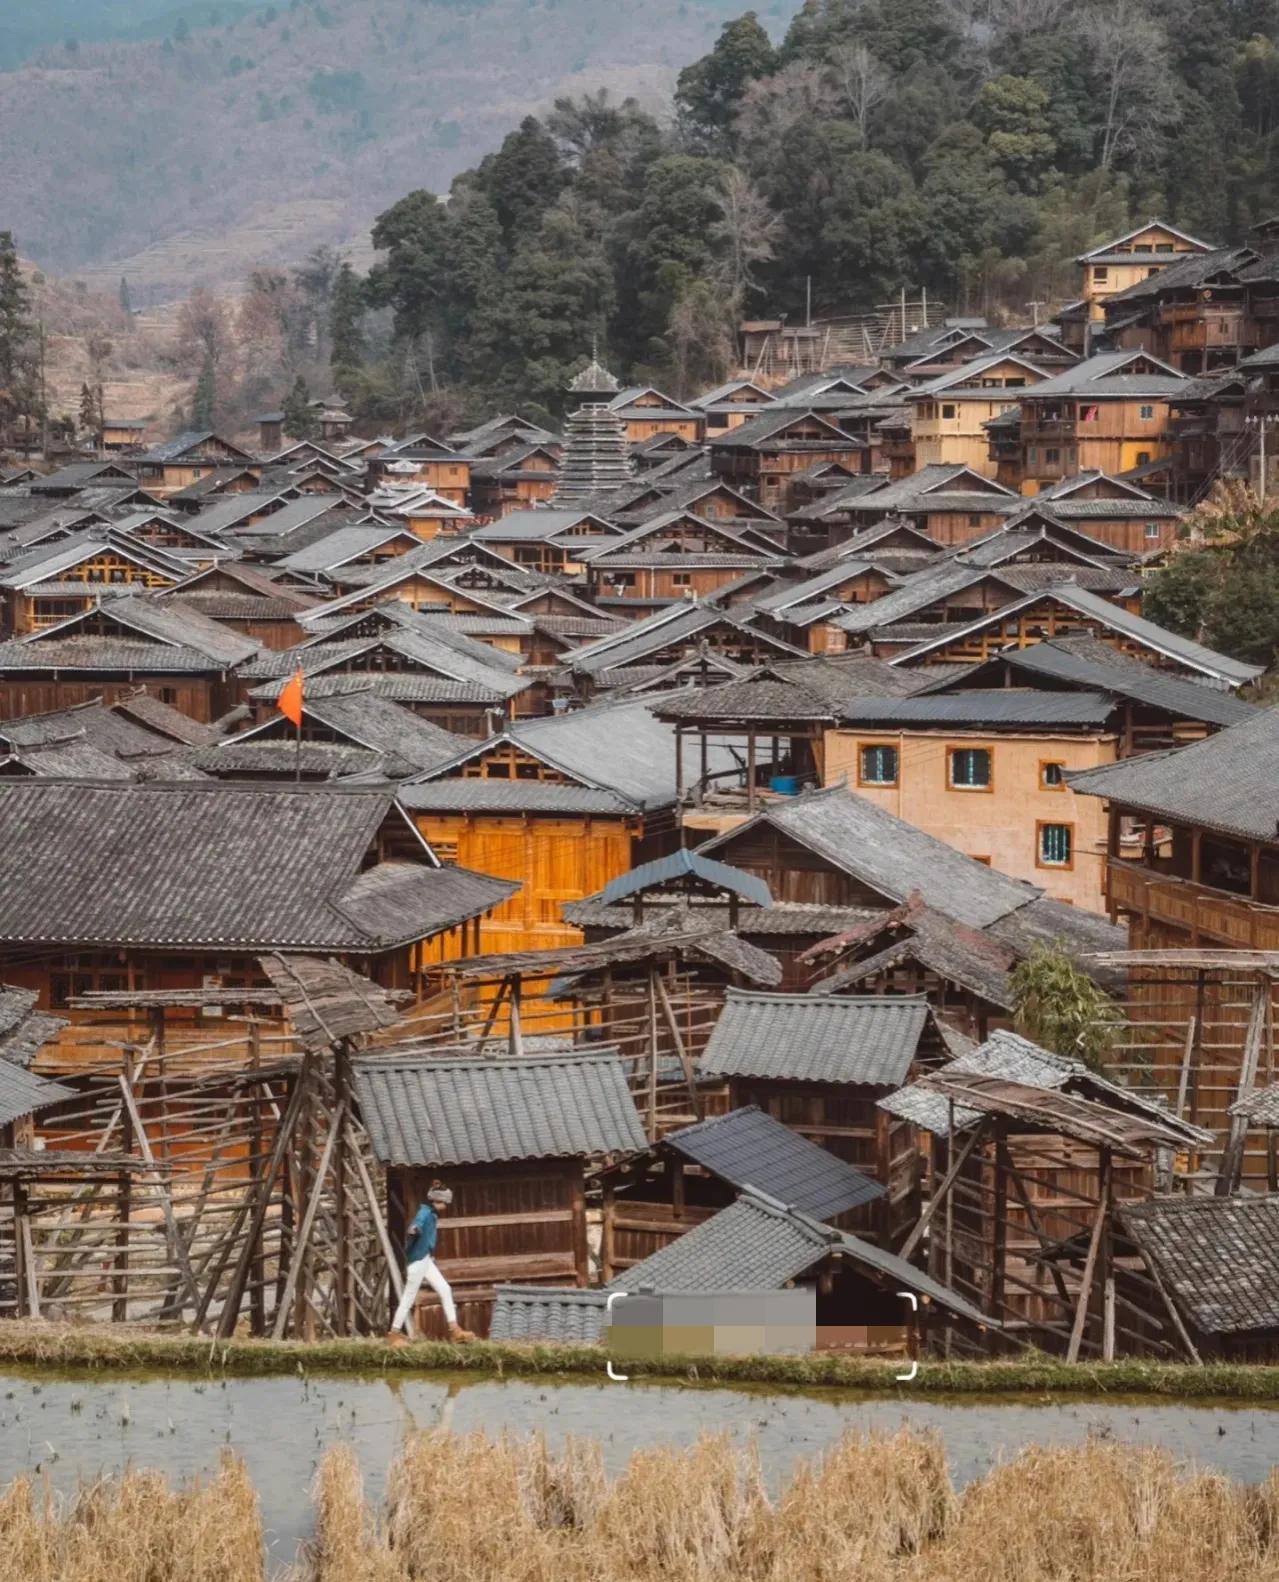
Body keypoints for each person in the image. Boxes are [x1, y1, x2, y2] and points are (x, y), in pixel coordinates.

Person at [387, 1181, 475, 1343]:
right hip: (418, 1262)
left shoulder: (431, 1213)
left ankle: (455, 1330)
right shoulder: (425, 1213)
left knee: (445, 1289)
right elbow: (416, 1225)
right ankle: (393, 1334)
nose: (446, 1206)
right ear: (437, 1201)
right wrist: (414, 1229)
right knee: (408, 1298)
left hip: (425, 1260)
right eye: (445, 1203)